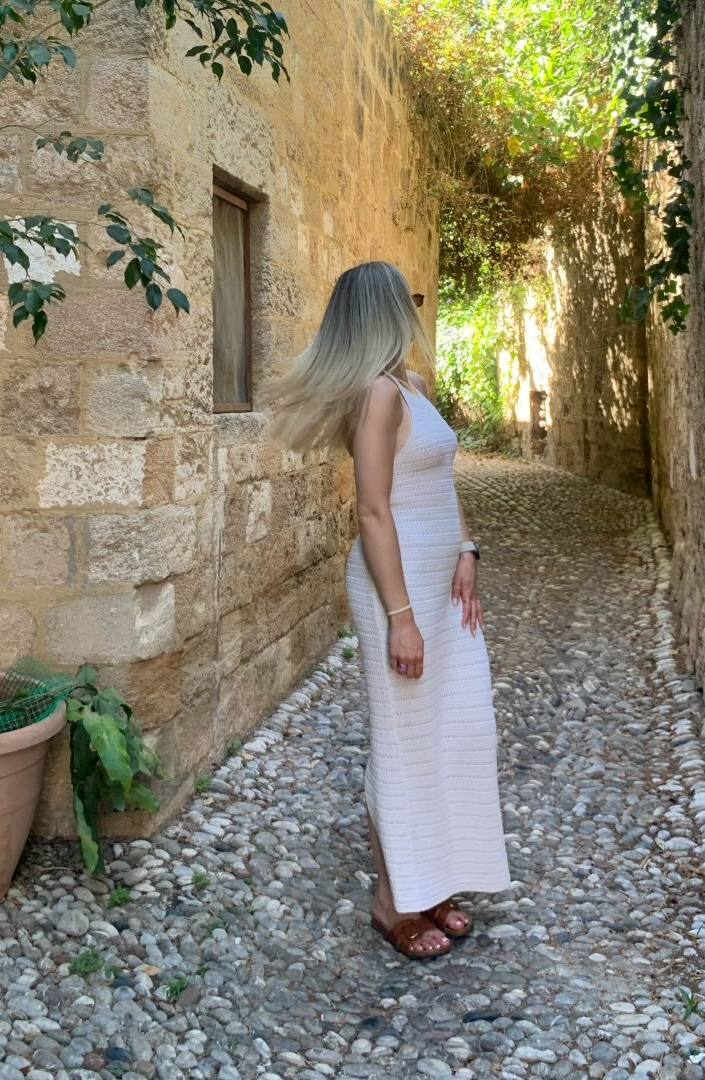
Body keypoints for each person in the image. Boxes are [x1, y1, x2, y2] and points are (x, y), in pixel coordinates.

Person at [267, 260, 511, 959]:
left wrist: (467, 548)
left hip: (442, 583)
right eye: (407, 301)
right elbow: (373, 512)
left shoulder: (412, 387)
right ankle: (392, 899)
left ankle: (432, 883)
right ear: (382, 312)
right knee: (403, 740)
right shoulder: (374, 395)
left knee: (457, 729)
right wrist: (401, 616)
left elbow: (441, 484)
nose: (416, 311)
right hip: (394, 589)